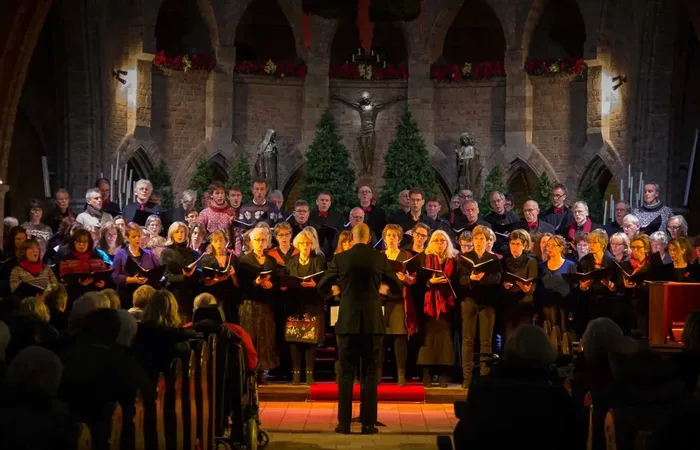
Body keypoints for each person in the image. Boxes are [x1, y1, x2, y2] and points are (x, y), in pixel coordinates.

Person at [318, 223, 401, 435]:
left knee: (345, 373)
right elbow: (397, 288)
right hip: (373, 322)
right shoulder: (379, 259)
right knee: (371, 373)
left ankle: (344, 424)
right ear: (369, 238)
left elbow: (322, 286)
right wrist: (383, 290)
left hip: (347, 322)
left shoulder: (341, 258)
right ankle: (368, 423)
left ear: (352, 237)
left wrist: (336, 290)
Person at [280, 227, 327, 385]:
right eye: (302, 243)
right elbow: (286, 279)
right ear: (297, 245)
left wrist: (315, 285)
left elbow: (323, 282)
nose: (305, 246)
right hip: (294, 304)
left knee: (310, 341)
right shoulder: (291, 261)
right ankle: (296, 373)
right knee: (294, 340)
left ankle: (309, 373)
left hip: (312, 305)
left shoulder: (318, 260)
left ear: (312, 244)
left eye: (308, 243)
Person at [459, 225, 502, 387]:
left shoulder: (493, 258)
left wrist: (482, 278)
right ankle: (467, 378)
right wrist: (471, 278)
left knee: (486, 341)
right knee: (468, 340)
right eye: (476, 239)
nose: (478, 242)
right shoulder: (464, 258)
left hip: (487, 303)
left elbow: (497, 279)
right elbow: (460, 280)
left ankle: (484, 377)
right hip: (469, 302)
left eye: (482, 239)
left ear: (487, 241)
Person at [417, 229, 460, 388]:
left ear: (448, 243)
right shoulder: (424, 258)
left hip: (447, 306)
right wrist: (430, 282)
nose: (440, 243)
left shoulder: (454, 260)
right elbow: (418, 282)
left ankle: (443, 374)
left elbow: (458, 281)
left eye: (443, 241)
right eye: (436, 240)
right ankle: (427, 372)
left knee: (445, 340)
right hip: (429, 307)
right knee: (429, 340)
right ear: (431, 243)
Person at [237, 227, 279, 383]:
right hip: (249, 304)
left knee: (265, 338)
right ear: (251, 242)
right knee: (251, 337)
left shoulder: (271, 260)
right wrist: (255, 283)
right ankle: (249, 372)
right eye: (257, 240)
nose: (260, 243)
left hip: (266, 304)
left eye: (263, 240)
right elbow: (241, 285)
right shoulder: (244, 260)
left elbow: (277, 282)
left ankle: (262, 371)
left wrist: (271, 285)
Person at [377, 224, 417, 386]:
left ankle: (401, 373)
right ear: (384, 239)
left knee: (399, 339)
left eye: (395, 236)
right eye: (389, 236)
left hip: (400, 301)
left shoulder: (406, 255)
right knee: (380, 339)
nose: (392, 238)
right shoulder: (379, 256)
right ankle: (378, 373)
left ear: (399, 239)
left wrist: (407, 279)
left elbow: (414, 279)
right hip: (382, 301)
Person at [111, 223, 161, 310]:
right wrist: (133, 280)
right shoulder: (121, 254)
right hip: (127, 296)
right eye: (134, 237)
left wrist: (149, 276)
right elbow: (115, 276)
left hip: (146, 297)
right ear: (127, 238)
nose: (137, 239)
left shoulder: (148, 254)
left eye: (139, 236)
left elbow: (158, 272)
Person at [159, 222, 201, 321]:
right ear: (172, 234)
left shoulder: (190, 252)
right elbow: (165, 277)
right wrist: (183, 276)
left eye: (182, 232)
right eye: (177, 232)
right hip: (173, 293)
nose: (180, 235)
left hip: (189, 294)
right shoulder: (166, 252)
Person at [501, 230, 538, 342]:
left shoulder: (531, 261)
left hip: (525, 304)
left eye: (518, 244)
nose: (514, 247)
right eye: (512, 243)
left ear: (525, 245)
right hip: (509, 304)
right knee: (509, 337)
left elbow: (533, 285)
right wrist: (504, 285)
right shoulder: (505, 260)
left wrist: (527, 289)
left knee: (523, 339)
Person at [537, 235, 577, 332]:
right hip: (545, 308)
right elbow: (538, 288)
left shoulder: (570, 265)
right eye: (548, 245)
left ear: (561, 248)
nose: (549, 248)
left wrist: (572, 311)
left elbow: (574, 289)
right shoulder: (541, 266)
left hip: (563, 309)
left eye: (553, 246)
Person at [58, 229, 108, 302]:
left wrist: (103, 283)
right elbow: (64, 279)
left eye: (84, 242)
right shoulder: (66, 259)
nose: (81, 245)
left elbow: (104, 275)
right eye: (79, 242)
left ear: (89, 243)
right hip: (74, 296)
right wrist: (79, 282)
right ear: (74, 243)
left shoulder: (97, 257)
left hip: (96, 296)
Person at [200, 229, 239, 322]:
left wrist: (233, 275)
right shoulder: (207, 258)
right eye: (215, 241)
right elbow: (205, 283)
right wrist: (216, 280)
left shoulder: (233, 257)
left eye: (221, 240)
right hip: (214, 297)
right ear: (211, 243)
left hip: (230, 298)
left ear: (226, 241)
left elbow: (238, 284)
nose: (218, 243)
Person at [620, 235, 653, 337]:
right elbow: (619, 285)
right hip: (629, 301)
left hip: (647, 302)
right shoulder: (626, 265)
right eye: (633, 247)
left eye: (638, 247)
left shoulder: (651, 265)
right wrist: (624, 284)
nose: (635, 250)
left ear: (646, 249)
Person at [308, 191, 345, 257]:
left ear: (330, 203)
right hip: (312, 251)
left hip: (332, 252)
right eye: (322, 200)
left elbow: (341, 234)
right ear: (317, 202)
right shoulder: (309, 216)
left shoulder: (337, 217)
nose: (324, 202)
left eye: (327, 200)